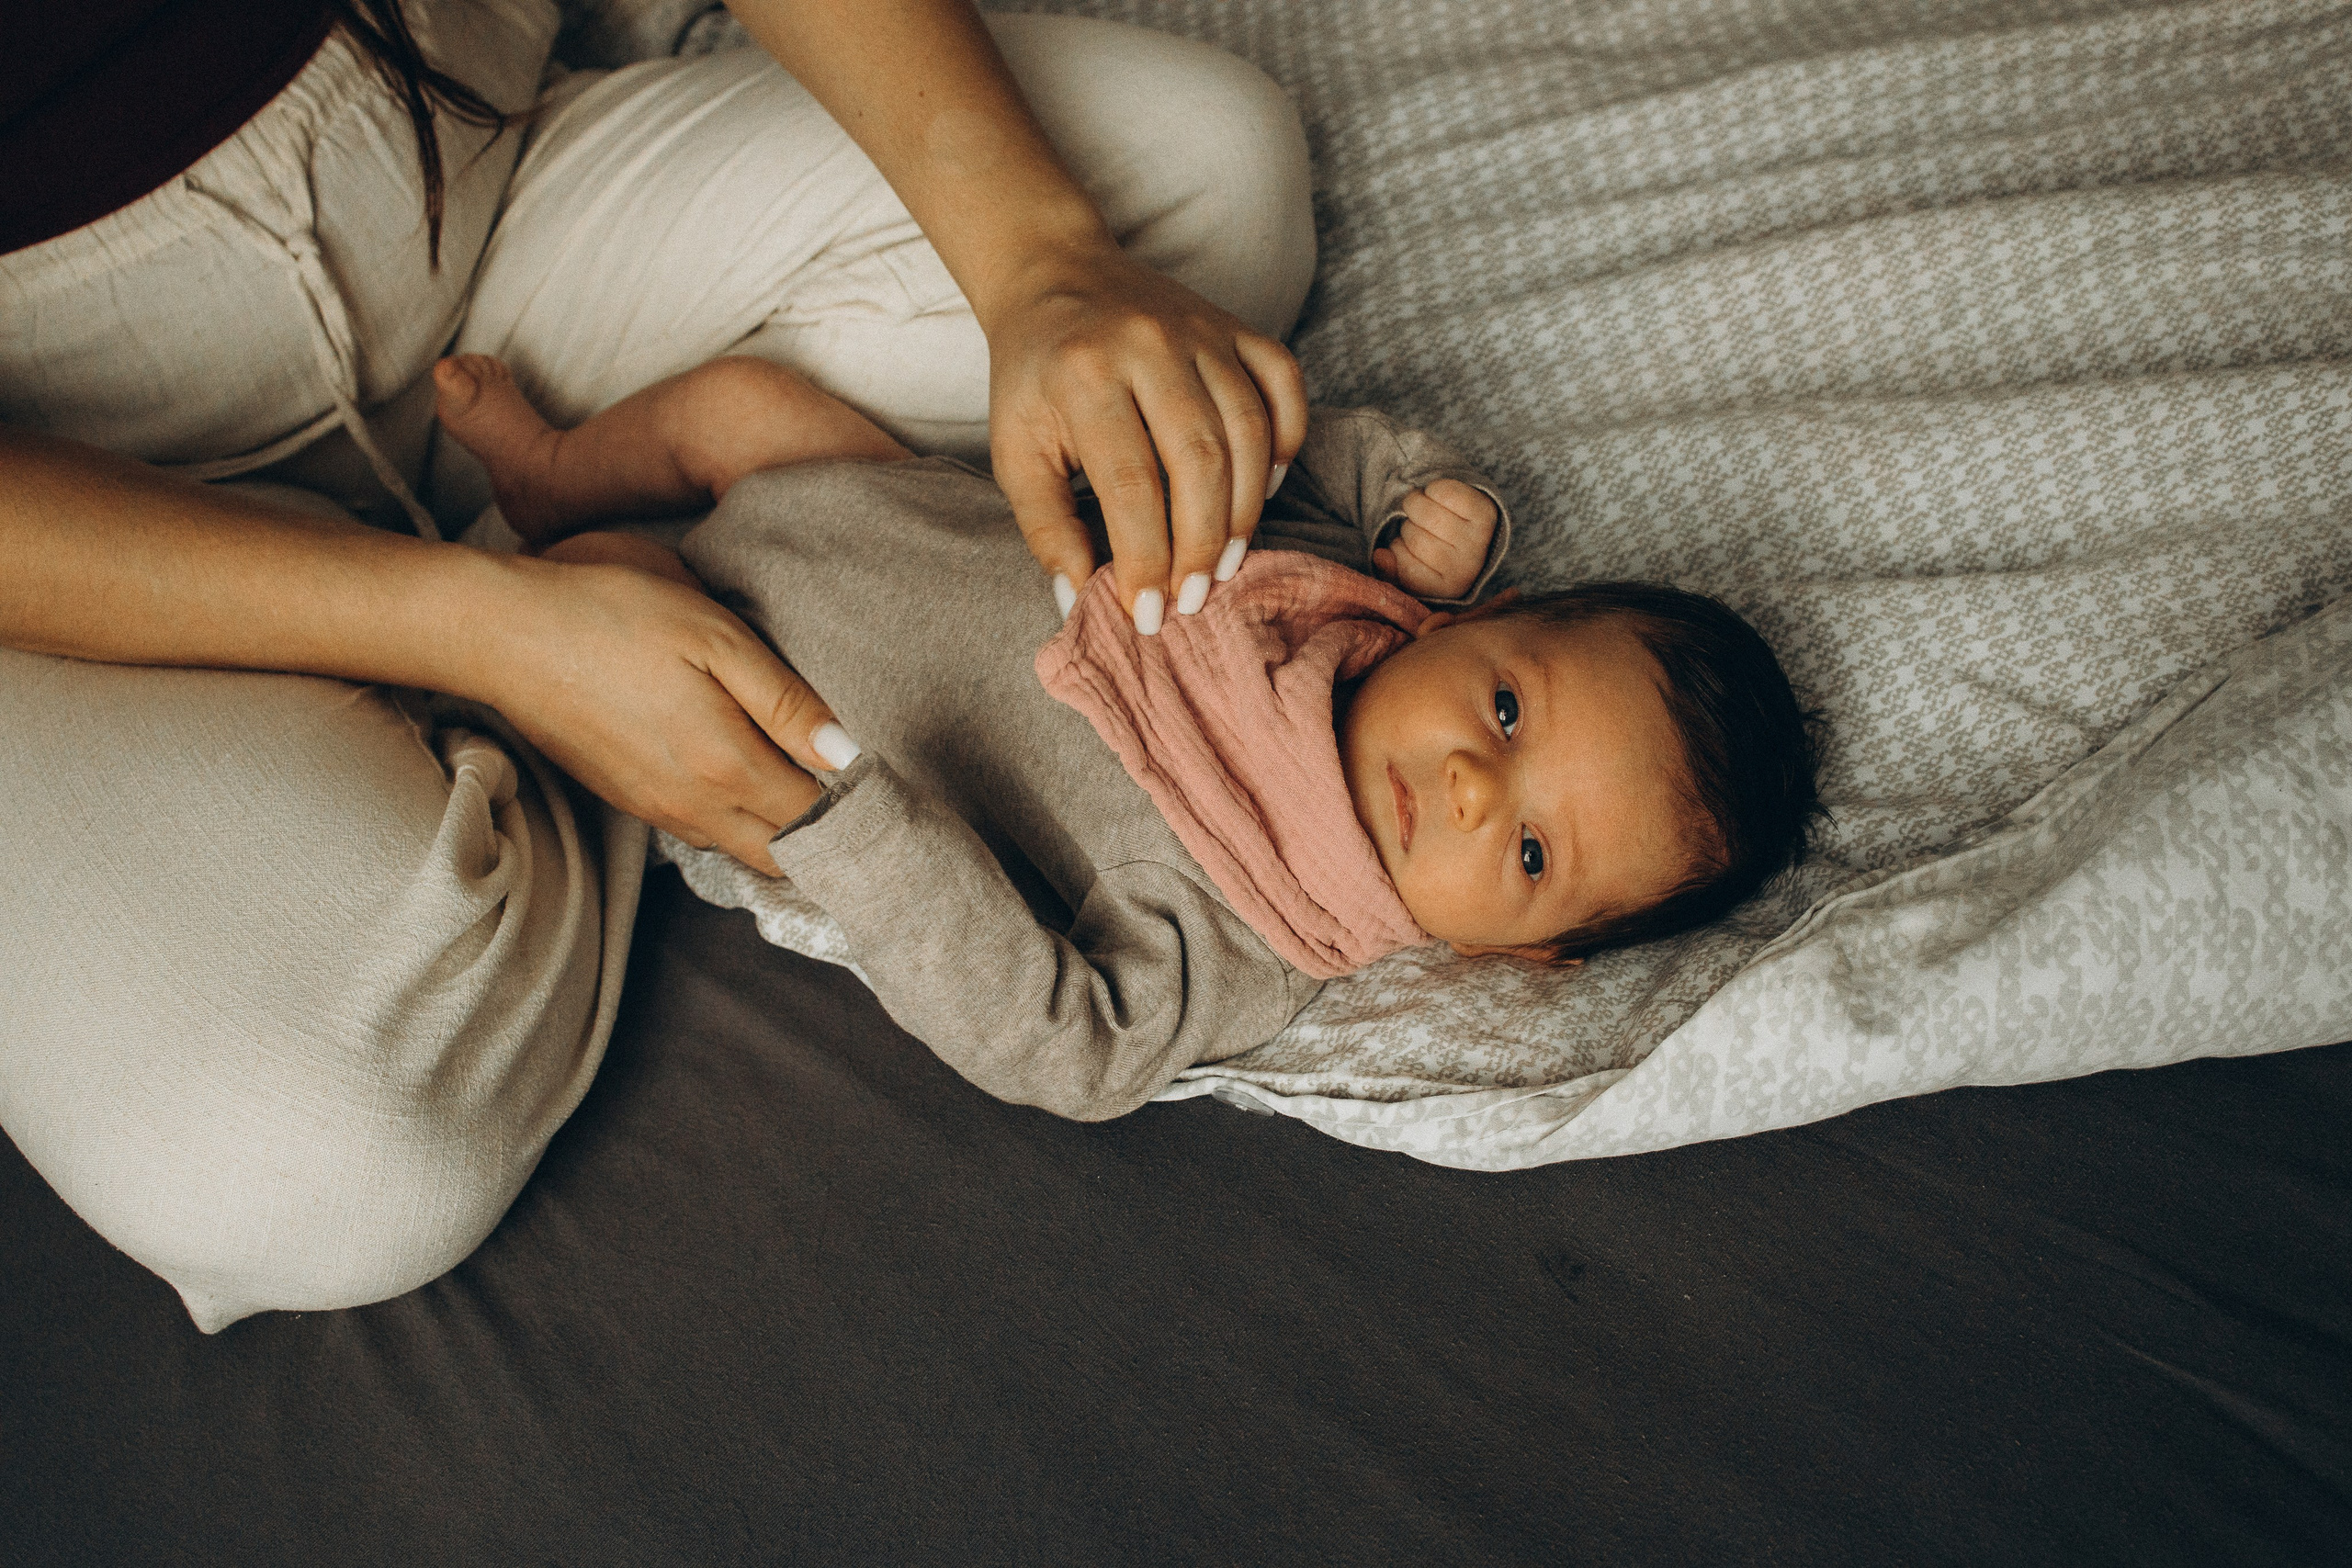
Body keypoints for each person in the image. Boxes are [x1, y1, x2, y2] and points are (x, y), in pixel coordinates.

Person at [0, 0, 1314, 1328]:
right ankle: (572, 636)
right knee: (312, 1173)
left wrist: (1044, 261)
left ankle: (592, 541)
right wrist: (487, 629)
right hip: (72, 493)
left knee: (1207, 185)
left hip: (464, 186)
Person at [433, 349, 1823, 1119]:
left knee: (610, 601)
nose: (1467, 784)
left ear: (1527, 952)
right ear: (1485, 616)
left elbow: (1069, 1050)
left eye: (1528, 852)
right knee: (745, 406)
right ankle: (550, 471)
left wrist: (863, 842)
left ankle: (444, 607)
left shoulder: (1252, 930)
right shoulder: (1355, 588)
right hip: (875, 510)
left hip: (778, 685)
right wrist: (1416, 491)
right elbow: (1279, 446)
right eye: (1509, 710)